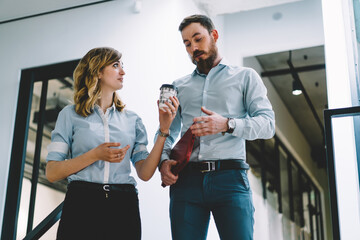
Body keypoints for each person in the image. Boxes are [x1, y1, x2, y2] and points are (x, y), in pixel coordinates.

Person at [159, 15, 275, 240]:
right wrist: (163, 162)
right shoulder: (178, 86)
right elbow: (166, 131)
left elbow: (268, 124)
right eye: (187, 43)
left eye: (198, 39)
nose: (193, 47)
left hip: (230, 179)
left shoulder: (245, 77)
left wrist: (227, 124)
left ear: (214, 35)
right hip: (186, 183)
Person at [46, 47, 179, 240]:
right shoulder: (69, 114)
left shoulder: (133, 120)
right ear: (98, 71)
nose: (123, 72)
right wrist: (94, 155)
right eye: (116, 65)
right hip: (81, 201)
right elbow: (52, 172)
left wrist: (164, 129)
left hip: (123, 204)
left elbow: (145, 173)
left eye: (122, 66)